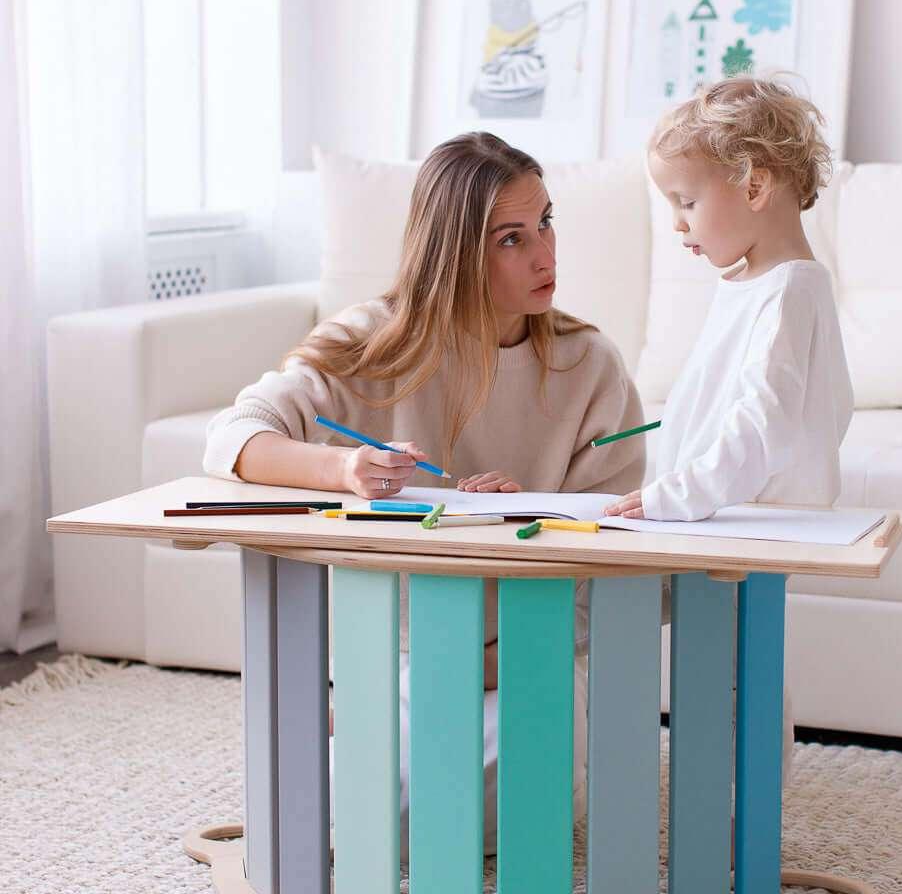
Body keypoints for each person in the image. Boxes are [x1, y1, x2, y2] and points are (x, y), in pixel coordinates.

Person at [204, 131, 644, 855]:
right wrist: (344, 471)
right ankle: (359, 722)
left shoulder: (590, 365)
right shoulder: (373, 344)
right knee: (388, 816)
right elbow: (234, 435)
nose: (545, 255)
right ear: (456, 253)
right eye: (511, 238)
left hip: (531, 654)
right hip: (408, 654)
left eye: (546, 223)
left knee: (519, 809)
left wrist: (507, 528)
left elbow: (616, 555)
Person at [606, 75, 855, 786]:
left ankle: (739, 825)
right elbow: (738, 399)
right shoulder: (753, 285)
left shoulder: (789, 291)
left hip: (742, 521)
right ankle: (712, 809)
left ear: (753, 187)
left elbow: (765, 422)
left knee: (738, 677)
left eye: (686, 203)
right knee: (713, 670)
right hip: (719, 516)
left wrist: (677, 493)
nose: (678, 225)